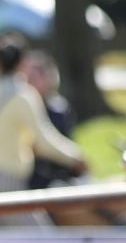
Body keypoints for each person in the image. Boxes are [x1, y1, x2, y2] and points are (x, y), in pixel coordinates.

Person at [0, 33, 87, 199]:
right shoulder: (22, 95)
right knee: (36, 226)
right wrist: (75, 157)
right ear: (22, 62)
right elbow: (44, 140)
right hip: (8, 179)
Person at [23, 50, 82, 190]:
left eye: (32, 78)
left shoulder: (58, 110)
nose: (27, 84)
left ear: (47, 79)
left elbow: (64, 149)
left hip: (54, 179)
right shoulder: (22, 108)